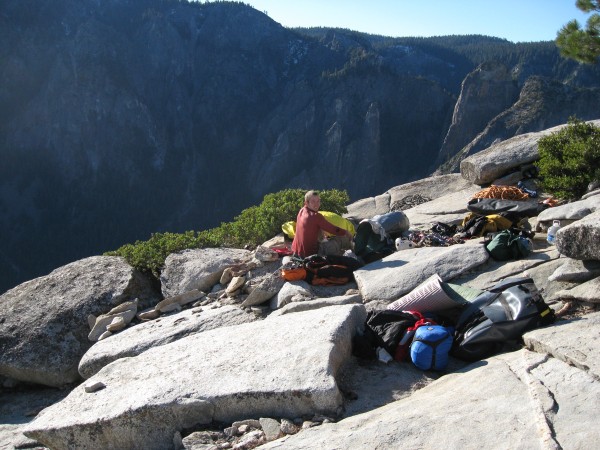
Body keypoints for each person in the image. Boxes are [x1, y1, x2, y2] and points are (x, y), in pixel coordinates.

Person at [292, 190, 353, 258]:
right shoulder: (316, 216)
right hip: (312, 255)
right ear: (306, 203)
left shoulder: (301, 211)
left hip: (297, 252)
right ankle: (356, 251)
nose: (317, 204)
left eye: (318, 201)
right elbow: (334, 230)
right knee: (341, 239)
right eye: (313, 201)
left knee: (327, 238)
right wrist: (346, 232)